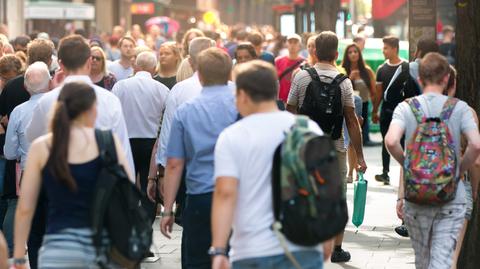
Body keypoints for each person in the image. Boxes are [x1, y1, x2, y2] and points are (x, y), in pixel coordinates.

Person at [211, 60, 330, 269]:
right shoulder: (307, 127)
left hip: (252, 251)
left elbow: (225, 194)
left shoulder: (233, 136)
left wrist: (219, 250)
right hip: (305, 248)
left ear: (243, 95)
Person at [12, 82, 134, 269]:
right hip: (102, 245)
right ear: (93, 109)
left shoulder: (41, 147)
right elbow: (127, 190)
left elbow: (25, 208)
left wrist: (19, 255)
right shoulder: (108, 141)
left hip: (58, 247)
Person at [385, 52, 480, 269]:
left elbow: (391, 141)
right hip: (453, 193)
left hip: (417, 193)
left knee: (424, 259)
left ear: (420, 80)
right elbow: (476, 150)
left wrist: (403, 185)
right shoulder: (463, 110)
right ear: (447, 79)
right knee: (448, 260)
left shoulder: (406, 107)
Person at [286, 31, 367, 263]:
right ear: (336, 53)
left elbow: (290, 112)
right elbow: (351, 120)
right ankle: (337, 248)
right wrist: (360, 156)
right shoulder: (344, 82)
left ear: (314, 51)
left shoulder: (301, 77)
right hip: (335, 147)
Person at [159, 47, 237, 269]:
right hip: (236, 194)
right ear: (229, 73)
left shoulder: (186, 111)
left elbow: (174, 163)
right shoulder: (242, 105)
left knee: (197, 259)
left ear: (199, 75)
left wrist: (167, 209)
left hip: (200, 195)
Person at [26, 34, 134, 177]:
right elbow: (123, 148)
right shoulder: (110, 100)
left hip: (59, 180)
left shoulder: (47, 100)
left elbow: (32, 135)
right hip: (100, 185)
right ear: (89, 62)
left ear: (61, 65)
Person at [146, 38, 216, 236]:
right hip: (222, 169)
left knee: (191, 228)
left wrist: (161, 173)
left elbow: (167, 135)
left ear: (191, 62)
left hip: (189, 171)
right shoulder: (233, 89)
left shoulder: (180, 90)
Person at [112, 51, 169, 220]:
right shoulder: (162, 89)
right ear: (154, 68)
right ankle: (146, 223)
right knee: (148, 184)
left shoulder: (120, 86)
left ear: (136, 66)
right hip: (150, 142)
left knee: (126, 182)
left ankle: (126, 220)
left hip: (126, 140)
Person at [372, 36, 407, 185]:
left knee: (404, 142)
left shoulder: (406, 67)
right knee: (386, 141)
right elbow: (378, 92)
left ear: (394, 49)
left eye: (386, 48)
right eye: (383, 47)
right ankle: (385, 172)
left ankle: (406, 172)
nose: (383, 51)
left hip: (403, 111)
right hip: (386, 111)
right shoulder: (381, 69)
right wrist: (375, 110)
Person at [0, 54, 24, 256]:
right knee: (10, 200)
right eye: (3, 78)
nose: (5, 82)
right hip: (9, 155)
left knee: (10, 199)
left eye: (8, 78)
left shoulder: (10, 90)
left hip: (10, 154)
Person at [341, 43, 376, 146]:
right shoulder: (342, 70)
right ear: (346, 55)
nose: (353, 54)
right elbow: (340, 88)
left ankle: (365, 139)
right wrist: (350, 78)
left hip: (364, 103)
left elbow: (373, 90)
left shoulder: (367, 71)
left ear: (359, 54)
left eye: (355, 52)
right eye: (350, 52)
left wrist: (375, 109)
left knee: (363, 125)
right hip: (348, 105)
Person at [275, 34, 304, 103]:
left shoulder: (304, 63)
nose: (292, 45)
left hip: (297, 102)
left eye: (295, 42)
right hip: (281, 101)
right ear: (286, 44)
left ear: (300, 46)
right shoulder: (278, 61)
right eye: (290, 42)